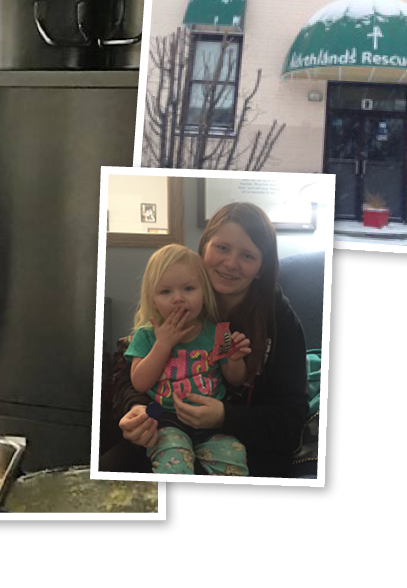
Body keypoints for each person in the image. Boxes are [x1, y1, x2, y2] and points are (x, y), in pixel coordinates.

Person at [107, 202, 311, 478]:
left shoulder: (281, 322)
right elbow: (130, 378)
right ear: (204, 248)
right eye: (222, 248)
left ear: (261, 268)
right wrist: (136, 408)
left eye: (247, 255)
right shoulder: (174, 299)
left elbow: (290, 420)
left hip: (242, 444)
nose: (231, 263)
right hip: (163, 428)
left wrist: (225, 416)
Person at [123, 244, 252, 476]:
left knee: (234, 455)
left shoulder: (218, 332)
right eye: (165, 292)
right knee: (174, 461)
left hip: (212, 423)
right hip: (166, 420)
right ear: (153, 299)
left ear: (204, 292)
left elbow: (235, 380)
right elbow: (139, 383)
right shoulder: (147, 335)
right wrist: (163, 344)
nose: (178, 299)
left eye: (189, 288)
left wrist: (234, 359)